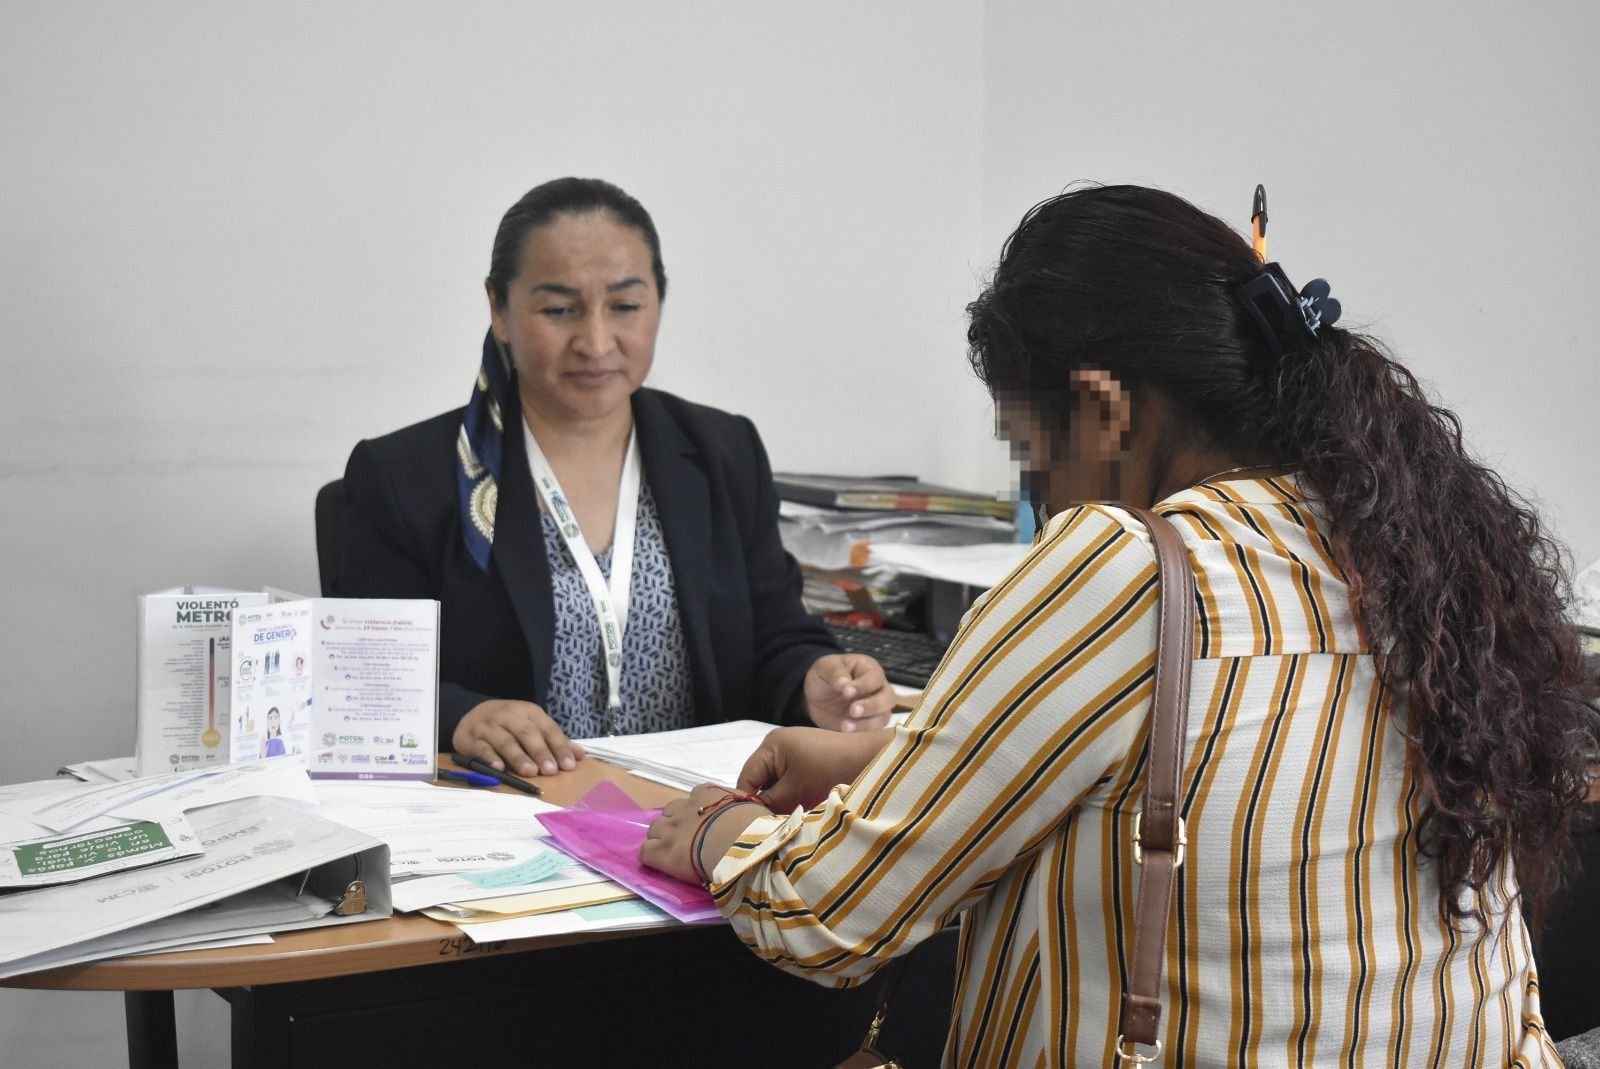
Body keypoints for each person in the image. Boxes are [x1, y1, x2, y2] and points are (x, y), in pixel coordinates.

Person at [642, 185, 1598, 1066]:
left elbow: (832, 915)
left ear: (1101, 410)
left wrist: (717, 831)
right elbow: (1230, 762)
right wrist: (884, 759)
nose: (1037, 492)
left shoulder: (1130, 560)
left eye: (1029, 450)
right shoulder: (1419, 545)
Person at [337, 178, 894, 779]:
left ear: (659, 300)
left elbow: (776, 636)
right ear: (499, 309)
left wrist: (815, 682)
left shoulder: (722, 452)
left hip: (697, 818)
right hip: (514, 818)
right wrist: (464, 715)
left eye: (626, 306)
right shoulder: (403, 478)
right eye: (559, 310)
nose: (596, 341)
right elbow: (363, 677)